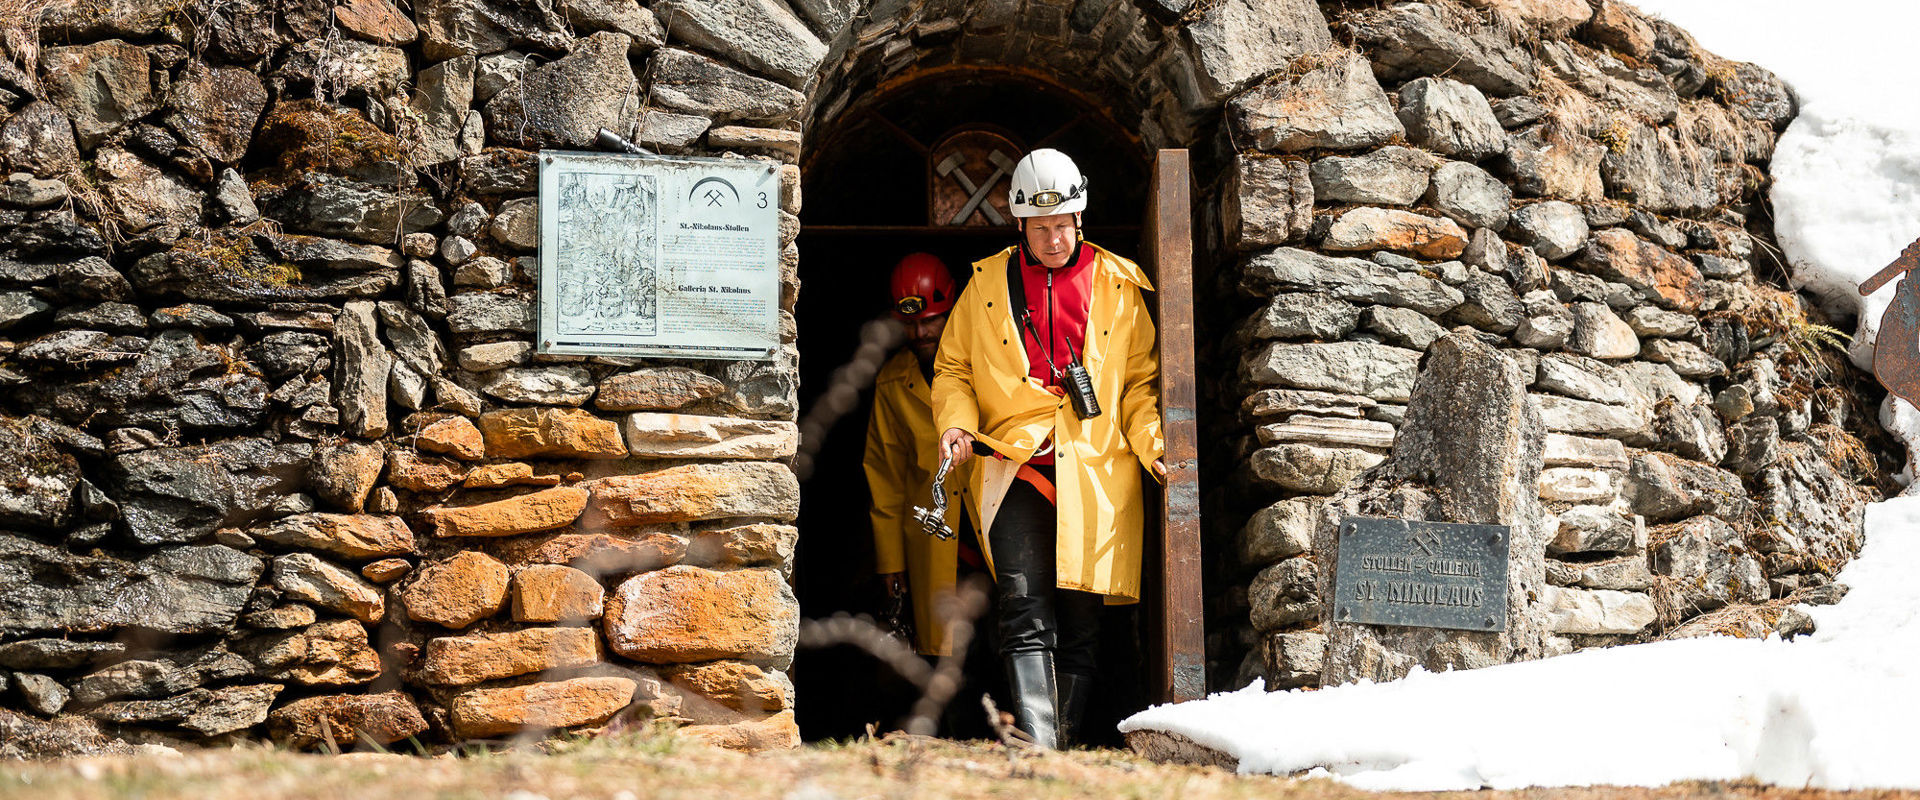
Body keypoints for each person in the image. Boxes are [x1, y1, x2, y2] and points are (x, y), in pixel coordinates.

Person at [931, 148, 1165, 749]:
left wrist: (1152, 443)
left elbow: (1140, 382)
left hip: (1096, 468)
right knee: (1023, 606)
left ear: (1080, 219)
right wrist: (955, 425)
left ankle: (1055, 750)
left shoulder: (1119, 283)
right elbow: (954, 368)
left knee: (1082, 623)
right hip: (1014, 464)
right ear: (1020, 225)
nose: (1054, 238)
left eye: (1063, 225)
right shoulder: (983, 284)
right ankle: (1039, 750)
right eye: (1041, 227)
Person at [864, 253, 982, 660]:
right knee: (945, 656)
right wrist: (890, 563)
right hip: (933, 537)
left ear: (952, 310)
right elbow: (885, 477)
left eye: (931, 320)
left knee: (1010, 639)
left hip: (993, 526)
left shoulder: (986, 365)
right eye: (910, 324)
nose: (921, 332)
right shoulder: (893, 381)